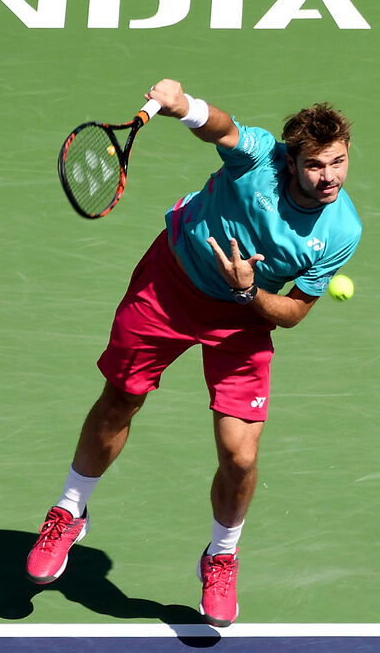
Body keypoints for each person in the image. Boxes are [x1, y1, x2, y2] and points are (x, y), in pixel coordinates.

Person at [26, 79, 362, 627]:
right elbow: (223, 129)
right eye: (316, 165)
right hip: (170, 284)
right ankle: (69, 510)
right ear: (291, 161)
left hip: (242, 318)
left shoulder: (342, 230)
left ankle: (222, 555)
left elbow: (294, 312)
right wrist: (184, 107)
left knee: (241, 456)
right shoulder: (259, 159)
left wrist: (249, 292)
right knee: (121, 398)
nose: (330, 177)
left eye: (339, 162)